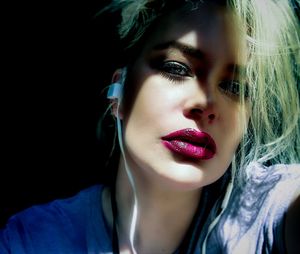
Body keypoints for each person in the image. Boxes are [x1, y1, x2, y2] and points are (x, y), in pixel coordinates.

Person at [1, 0, 299, 253]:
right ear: (117, 94)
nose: (206, 103)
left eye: (234, 86)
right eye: (176, 68)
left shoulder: (267, 208)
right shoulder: (34, 239)